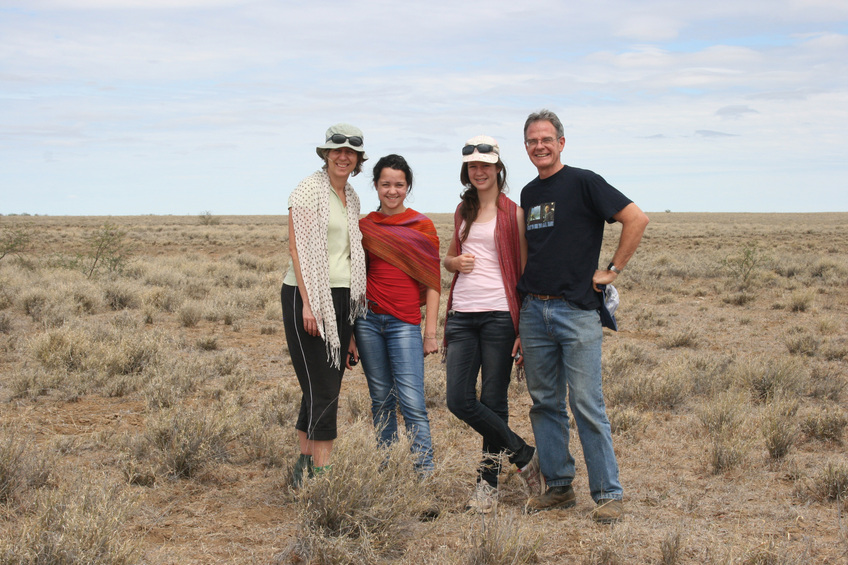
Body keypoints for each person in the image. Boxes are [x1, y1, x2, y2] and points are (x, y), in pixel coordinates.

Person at [518, 110, 649, 523]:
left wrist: (612, 269)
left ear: (561, 142)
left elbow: (636, 218)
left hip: (576, 311)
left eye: (547, 139)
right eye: (532, 141)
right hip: (534, 311)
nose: (540, 146)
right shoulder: (527, 193)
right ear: (526, 147)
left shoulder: (584, 181)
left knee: (587, 403)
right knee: (544, 403)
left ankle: (608, 494)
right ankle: (558, 487)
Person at [443, 135, 542, 514]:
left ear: (498, 167)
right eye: (472, 166)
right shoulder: (461, 210)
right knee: (458, 399)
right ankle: (523, 452)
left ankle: (486, 489)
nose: (479, 171)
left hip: (500, 315)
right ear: (467, 171)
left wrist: (521, 326)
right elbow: (450, 258)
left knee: (493, 402)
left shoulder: (513, 213)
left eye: (485, 164)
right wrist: (455, 264)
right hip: (463, 315)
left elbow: (521, 269)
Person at [281, 123, 369, 487]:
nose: (344, 157)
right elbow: (296, 249)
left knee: (321, 385)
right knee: (324, 391)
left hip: (342, 298)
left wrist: (347, 331)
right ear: (326, 154)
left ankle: (303, 468)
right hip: (308, 296)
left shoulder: (352, 197)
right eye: (337, 150)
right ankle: (323, 477)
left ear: (358, 159)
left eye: (351, 152)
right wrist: (309, 304)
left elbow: (350, 254)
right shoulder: (306, 191)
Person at [353, 154, 440, 476]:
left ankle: (424, 475)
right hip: (368, 321)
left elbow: (432, 283)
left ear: (408, 187)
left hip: (404, 323)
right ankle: (386, 474)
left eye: (399, 184)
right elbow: (355, 282)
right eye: (385, 184)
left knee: (413, 403)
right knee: (381, 400)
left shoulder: (422, 226)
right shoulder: (364, 227)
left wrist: (429, 334)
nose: (392, 191)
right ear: (375, 186)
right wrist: (350, 335)